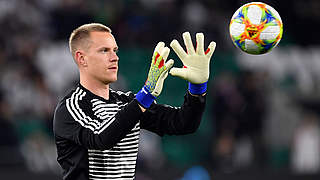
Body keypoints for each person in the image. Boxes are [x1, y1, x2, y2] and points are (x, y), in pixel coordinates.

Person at [53, 23, 216, 180]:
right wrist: (146, 94)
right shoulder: (70, 108)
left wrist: (197, 88)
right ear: (82, 58)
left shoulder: (127, 103)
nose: (114, 58)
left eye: (115, 51)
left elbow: (183, 123)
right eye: (104, 51)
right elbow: (101, 139)